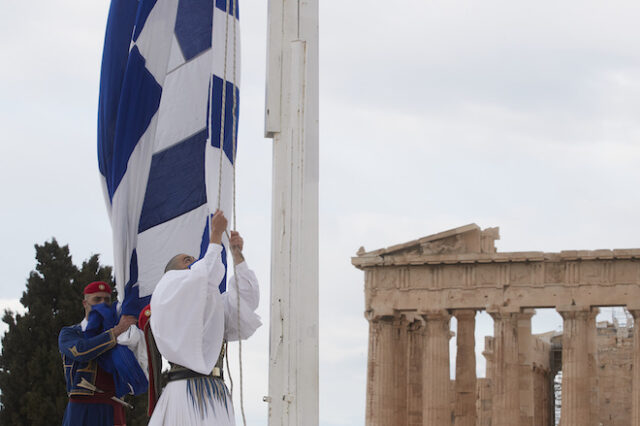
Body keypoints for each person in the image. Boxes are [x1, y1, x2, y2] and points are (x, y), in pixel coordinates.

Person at [148, 210, 261, 425]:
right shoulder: (167, 290)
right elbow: (203, 275)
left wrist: (237, 255)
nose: (193, 263)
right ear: (171, 272)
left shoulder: (208, 302)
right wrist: (216, 236)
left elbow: (245, 304)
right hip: (185, 390)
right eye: (186, 261)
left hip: (215, 392)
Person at [58, 281, 141, 426]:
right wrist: (116, 331)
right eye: (97, 299)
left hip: (113, 405)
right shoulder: (71, 332)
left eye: (107, 300)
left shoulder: (122, 333)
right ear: (85, 303)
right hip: (82, 408)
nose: (103, 304)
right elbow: (81, 350)